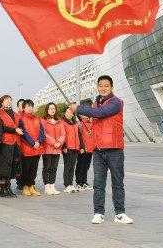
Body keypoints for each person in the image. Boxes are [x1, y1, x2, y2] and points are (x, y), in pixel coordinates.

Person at [68, 75, 133, 225]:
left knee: (117, 183)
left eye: (106, 86)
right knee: (98, 183)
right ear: (97, 87)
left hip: (114, 148)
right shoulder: (96, 102)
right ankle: (98, 212)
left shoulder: (116, 102)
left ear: (111, 87)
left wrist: (78, 108)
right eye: (101, 85)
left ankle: (120, 213)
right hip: (98, 149)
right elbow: (96, 117)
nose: (103, 88)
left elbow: (102, 113)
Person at [0, 95, 22, 198]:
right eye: (6, 100)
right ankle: (3, 188)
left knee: (11, 166)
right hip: (4, 142)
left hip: (15, 142)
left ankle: (8, 187)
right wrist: (14, 130)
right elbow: (1, 127)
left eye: (10, 100)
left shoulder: (15, 114)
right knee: (3, 166)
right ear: (2, 102)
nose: (9, 102)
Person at [18, 99, 44, 197]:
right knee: (26, 169)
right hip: (27, 148)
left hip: (37, 149)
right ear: (24, 108)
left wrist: (38, 141)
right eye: (27, 106)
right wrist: (33, 143)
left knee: (34, 169)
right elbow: (23, 133)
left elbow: (42, 132)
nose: (29, 108)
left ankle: (31, 186)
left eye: (31, 106)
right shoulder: (21, 119)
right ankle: (25, 186)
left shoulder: (37, 119)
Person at [42, 102, 64, 195]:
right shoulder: (43, 120)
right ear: (47, 110)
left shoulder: (59, 121)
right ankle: (47, 186)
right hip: (47, 148)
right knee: (47, 167)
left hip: (57, 148)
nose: (52, 110)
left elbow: (63, 133)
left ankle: (52, 185)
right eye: (50, 108)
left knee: (54, 168)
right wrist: (54, 142)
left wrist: (59, 142)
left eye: (54, 108)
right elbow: (44, 133)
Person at [62, 111, 84, 193]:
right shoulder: (63, 122)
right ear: (65, 113)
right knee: (67, 167)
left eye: (71, 113)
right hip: (68, 147)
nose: (69, 114)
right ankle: (66, 185)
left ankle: (71, 184)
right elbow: (63, 135)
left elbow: (79, 135)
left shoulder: (75, 123)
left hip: (75, 147)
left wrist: (82, 146)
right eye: (68, 112)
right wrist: (64, 146)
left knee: (72, 166)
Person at [75, 115, 95, 191]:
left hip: (91, 149)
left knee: (86, 167)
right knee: (80, 166)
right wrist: (81, 147)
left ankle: (84, 182)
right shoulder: (79, 124)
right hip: (83, 149)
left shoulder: (92, 123)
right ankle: (78, 183)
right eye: (85, 115)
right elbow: (79, 137)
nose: (87, 116)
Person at [15, 98, 25, 190]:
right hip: (19, 143)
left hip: (28, 145)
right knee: (19, 164)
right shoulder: (16, 116)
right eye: (21, 105)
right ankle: (20, 182)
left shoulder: (30, 116)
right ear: (18, 107)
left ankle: (27, 182)